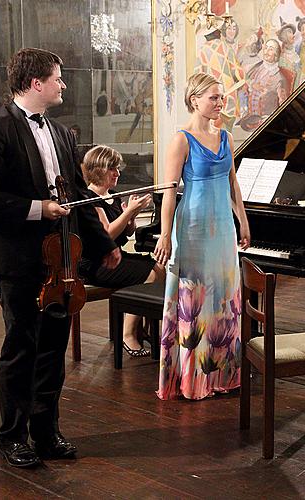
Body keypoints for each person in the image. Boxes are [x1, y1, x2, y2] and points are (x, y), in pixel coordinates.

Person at [0, 48, 120, 468]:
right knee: (21, 347)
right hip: (17, 259)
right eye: (58, 78)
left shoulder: (61, 133)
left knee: (52, 349)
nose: (63, 84)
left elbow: (78, 195)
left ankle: (46, 431)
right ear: (36, 83)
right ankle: (13, 437)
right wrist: (39, 208)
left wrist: (104, 244)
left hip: (61, 263)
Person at [153, 73, 250, 400]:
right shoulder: (181, 139)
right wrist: (165, 235)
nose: (220, 103)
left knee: (224, 295)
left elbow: (233, 184)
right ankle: (194, 379)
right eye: (213, 97)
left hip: (222, 226)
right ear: (194, 99)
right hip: (193, 227)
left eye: (221, 97)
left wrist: (243, 222)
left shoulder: (226, 137)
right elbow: (169, 192)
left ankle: (223, 375)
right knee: (195, 299)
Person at [79, 145, 165, 357]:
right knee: (152, 275)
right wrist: (129, 213)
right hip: (96, 263)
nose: (118, 173)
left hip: (115, 257)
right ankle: (127, 334)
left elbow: (125, 233)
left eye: (117, 168)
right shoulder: (90, 199)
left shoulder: (113, 196)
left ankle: (144, 328)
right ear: (98, 169)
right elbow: (106, 235)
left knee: (161, 267)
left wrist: (131, 216)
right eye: (113, 169)